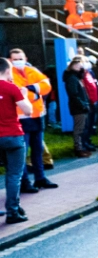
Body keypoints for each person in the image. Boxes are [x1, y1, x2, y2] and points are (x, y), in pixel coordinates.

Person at [9, 49, 56, 193]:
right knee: (23, 152)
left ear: (25, 58)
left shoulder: (32, 70)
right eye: (15, 59)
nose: (18, 61)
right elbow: (16, 93)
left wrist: (31, 89)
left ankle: (40, 178)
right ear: (10, 60)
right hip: (22, 118)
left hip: (37, 117)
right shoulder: (9, 74)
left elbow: (47, 86)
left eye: (20, 58)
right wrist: (35, 93)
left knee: (38, 150)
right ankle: (25, 183)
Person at [0, 58, 34, 224]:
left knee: (8, 172)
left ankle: (13, 208)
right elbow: (28, 110)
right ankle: (13, 211)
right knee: (14, 175)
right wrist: (25, 96)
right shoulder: (11, 87)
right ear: (7, 71)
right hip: (13, 135)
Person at [62, 56, 92, 158]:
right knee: (79, 129)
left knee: (82, 128)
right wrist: (83, 105)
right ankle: (78, 149)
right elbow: (73, 94)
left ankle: (82, 147)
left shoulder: (77, 78)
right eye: (78, 65)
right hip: (78, 108)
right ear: (72, 66)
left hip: (81, 106)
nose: (81, 67)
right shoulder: (72, 79)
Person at [81, 60, 98, 151]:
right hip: (89, 103)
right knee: (87, 124)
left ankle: (88, 141)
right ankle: (84, 143)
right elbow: (86, 89)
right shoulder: (82, 75)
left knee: (91, 124)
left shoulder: (89, 73)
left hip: (94, 101)